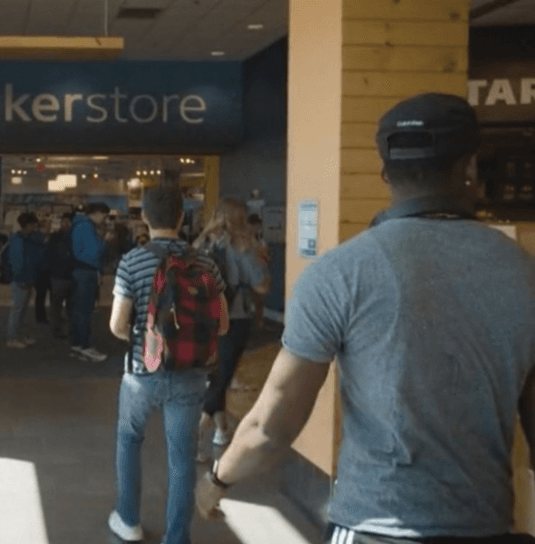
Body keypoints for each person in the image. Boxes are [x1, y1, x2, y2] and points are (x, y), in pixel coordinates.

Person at [196, 93, 535, 544]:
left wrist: (216, 480)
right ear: (469, 167)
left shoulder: (339, 273)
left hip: (375, 527)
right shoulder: (522, 271)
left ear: (383, 173)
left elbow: (271, 426)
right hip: (485, 526)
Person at [108, 184, 227, 544]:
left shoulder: (133, 261)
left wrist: (146, 338)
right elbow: (221, 325)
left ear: (144, 217)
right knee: (182, 458)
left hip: (143, 374)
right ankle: (176, 537)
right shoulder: (205, 262)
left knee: (130, 439)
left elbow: (116, 325)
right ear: (181, 216)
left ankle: (128, 521)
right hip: (191, 375)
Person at [192, 198, 270, 449]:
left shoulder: (199, 244)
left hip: (202, 319)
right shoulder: (243, 247)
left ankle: (222, 430)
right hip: (233, 318)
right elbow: (262, 285)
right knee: (221, 378)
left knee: (217, 374)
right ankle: (195, 435)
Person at [70, 202, 110, 362]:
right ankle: (85, 346)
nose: (105, 219)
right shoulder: (87, 227)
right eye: (104, 215)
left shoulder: (78, 225)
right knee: (85, 310)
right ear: (97, 213)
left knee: (79, 310)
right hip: (87, 271)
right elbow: (94, 252)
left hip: (79, 271)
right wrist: (105, 241)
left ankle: (78, 345)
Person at [5, 212, 45, 349]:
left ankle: (18, 335)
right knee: (17, 309)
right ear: (28, 225)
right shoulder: (19, 240)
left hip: (27, 278)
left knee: (21, 309)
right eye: (34, 224)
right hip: (21, 279)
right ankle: (12, 338)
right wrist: (21, 278)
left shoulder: (26, 238)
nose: (36, 227)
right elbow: (17, 262)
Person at [44, 212, 76, 339]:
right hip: (59, 276)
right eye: (64, 222)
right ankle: (57, 330)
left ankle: (68, 329)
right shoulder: (56, 237)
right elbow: (49, 255)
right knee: (57, 306)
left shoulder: (59, 237)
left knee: (68, 306)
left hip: (66, 275)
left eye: (68, 222)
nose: (66, 224)